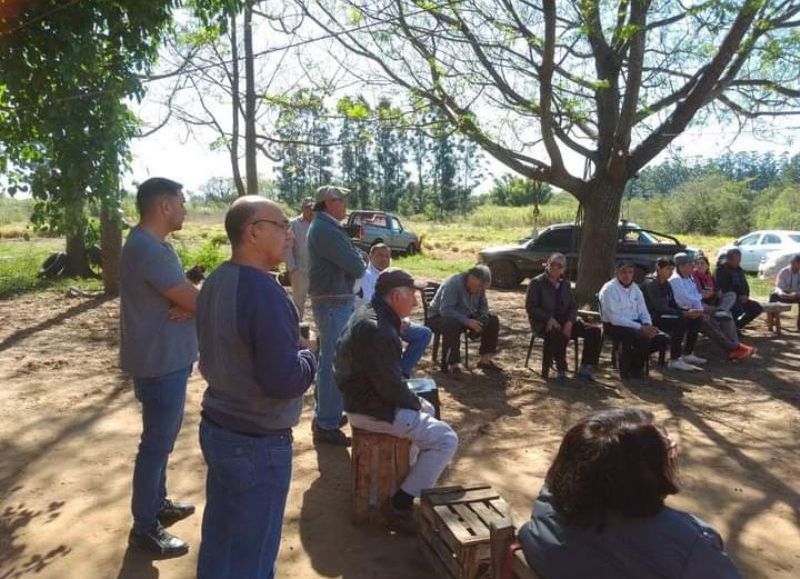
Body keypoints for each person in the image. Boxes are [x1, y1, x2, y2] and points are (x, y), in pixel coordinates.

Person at [195, 196, 316, 579]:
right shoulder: (264, 293)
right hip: (257, 442)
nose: (290, 236)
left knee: (221, 537)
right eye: (282, 226)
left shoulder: (217, 278)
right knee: (253, 555)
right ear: (252, 232)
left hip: (219, 427)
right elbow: (284, 381)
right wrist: (309, 355)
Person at [518, 408, 743, 579]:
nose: (673, 450)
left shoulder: (551, 497)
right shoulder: (690, 543)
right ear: (645, 472)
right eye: (666, 446)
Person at [335, 268, 458, 534]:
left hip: (362, 399)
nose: (415, 302)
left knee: (426, 409)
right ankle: (400, 504)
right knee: (446, 438)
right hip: (370, 408)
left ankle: (405, 479)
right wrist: (413, 402)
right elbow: (391, 389)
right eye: (412, 295)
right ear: (396, 296)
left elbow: (388, 382)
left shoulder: (372, 313)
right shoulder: (378, 328)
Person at [120, 177, 199, 556]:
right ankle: (144, 527)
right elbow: (193, 299)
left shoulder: (150, 245)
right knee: (155, 445)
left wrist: (187, 301)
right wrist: (192, 301)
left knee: (161, 442)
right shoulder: (148, 249)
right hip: (159, 361)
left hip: (165, 358)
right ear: (164, 206)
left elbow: (184, 297)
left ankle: (157, 503)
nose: (185, 209)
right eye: (181, 202)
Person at [308, 185, 367, 446]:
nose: (345, 204)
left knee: (328, 360)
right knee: (335, 362)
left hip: (333, 301)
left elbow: (355, 260)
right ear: (328, 203)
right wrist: (359, 259)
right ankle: (327, 423)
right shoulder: (326, 229)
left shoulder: (327, 227)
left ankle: (325, 415)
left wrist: (357, 258)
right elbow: (357, 265)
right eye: (340, 200)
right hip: (333, 302)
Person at [354, 243, 433, 378]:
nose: (384, 259)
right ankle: (392, 376)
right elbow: (369, 304)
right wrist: (395, 321)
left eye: (387, 256)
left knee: (424, 333)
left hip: (395, 320)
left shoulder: (394, 274)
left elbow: (400, 304)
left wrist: (405, 319)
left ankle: (402, 372)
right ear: (371, 256)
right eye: (379, 255)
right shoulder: (364, 276)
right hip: (376, 321)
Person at [525, 253, 602, 383]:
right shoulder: (537, 283)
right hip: (544, 323)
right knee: (556, 333)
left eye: (559, 266)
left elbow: (573, 307)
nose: (555, 268)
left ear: (563, 269)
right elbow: (531, 307)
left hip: (565, 321)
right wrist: (548, 319)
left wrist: (570, 322)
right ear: (547, 264)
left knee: (594, 331)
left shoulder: (565, 284)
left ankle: (585, 368)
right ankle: (561, 371)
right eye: (553, 264)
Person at [670, 253, 755, 361]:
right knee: (706, 321)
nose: (693, 266)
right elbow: (684, 299)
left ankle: (735, 348)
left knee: (725, 317)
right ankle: (734, 348)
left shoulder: (688, 277)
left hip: (695, 308)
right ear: (681, 266)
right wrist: (702, 306)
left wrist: (701, 307)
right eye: (691, 264)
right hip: (682, 311)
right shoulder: (675, 280)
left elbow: (695, 295)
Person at [598, 261, 668, 380]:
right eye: (623, 272)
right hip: (615, 325)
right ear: (616, 273)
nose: (627, 275)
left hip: (636, 324)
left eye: (630, 272)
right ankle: (633, 371)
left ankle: (633, 364)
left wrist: (647, 325)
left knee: (662, 339)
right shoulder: (609, 289)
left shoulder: (635, 288)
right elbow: (615, 318)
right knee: (641, 337)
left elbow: (643, 311)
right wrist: (641, 328)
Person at [426, 265, 502, 374]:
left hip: (464, 315)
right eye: (478, 287)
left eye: (483, 288)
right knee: (452, 324)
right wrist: (467, 321)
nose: (480, 291)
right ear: (471, 279)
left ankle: (485, 360)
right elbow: (446, 310)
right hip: (439, 317)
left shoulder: (480, 287)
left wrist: (482, 320)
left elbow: (483, 307)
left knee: (493, 320)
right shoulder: (453, 283)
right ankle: (452, 364)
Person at [640, 257, 705, 372]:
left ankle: (688, 353)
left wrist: (688, 311)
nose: (670, 272)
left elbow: (672, 303)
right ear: (658, 269)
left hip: (664, 314)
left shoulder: (666, 283)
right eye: (667, 269)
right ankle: (675, 359)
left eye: (671, 269)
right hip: (652, 316)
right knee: (680, 320)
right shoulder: (651, 283)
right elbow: (659, 307)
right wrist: (682, 313)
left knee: (697, 318)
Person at [715, 248, 763, 329]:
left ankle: (737, 326)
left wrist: (746, 295)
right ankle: (728, 329)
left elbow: (745, 284)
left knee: (757, 308)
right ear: (729, 259)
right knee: (737, 309)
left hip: (741, 298)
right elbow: (724, 288)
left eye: (739, 260)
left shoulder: (738, 269)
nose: (738, 262)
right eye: (736, 260)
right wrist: (738, 297)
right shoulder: (721, 270)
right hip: (729, 300)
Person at [283, 197, 315, 319]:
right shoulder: (293, 224)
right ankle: (297, 331)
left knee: (319, 303)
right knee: (298, 304)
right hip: (300, 271)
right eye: (307, 208)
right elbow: (287, 248)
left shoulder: (318, 224)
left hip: (317, 271)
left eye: (313, 208)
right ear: (302, 208)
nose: (310, 211)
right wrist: (292, 268)